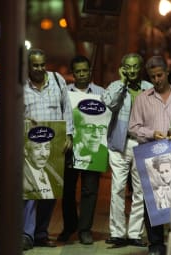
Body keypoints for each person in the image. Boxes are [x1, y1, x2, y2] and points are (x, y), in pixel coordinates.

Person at [22, 48, 73, 250]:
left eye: (42, 64)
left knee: (49, 192)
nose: (40, 68)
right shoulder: (20, 85)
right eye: (35, 65)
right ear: (28, 66)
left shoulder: (57, 80)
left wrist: (68, 134)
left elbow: (66, 108)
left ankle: (41, 233)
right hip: (30, 145)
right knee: (30, 193)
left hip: (54, 144)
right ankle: (26, 235)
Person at [101, 53, 153, 247]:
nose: (131, 71)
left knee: (140, 191)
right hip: (119, 144)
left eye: (135, 67)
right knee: (117, 188)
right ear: (122, 68)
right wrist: (122, 83)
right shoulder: (115, 86)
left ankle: (134, 234)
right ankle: (117, 233)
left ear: (141, 68)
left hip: (142, 143)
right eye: (128, 67)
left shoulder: (149, 88)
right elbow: (111, 104)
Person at [128, 55, 171, 255]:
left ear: (167, 73)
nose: (157, 80)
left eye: (159, 75)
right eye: (153, 77)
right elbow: (133, 127)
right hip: (151, 154)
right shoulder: (142, 99)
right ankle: (156, 244)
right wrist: (152, 133)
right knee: (154, 202)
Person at [58, 55, 106, 245]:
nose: (81, 74)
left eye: (84, 70)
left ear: (89, 71)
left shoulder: (101, 93)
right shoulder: (65, 93)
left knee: (90, 190)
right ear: (73, 73)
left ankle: (85, 230)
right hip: (69, 148)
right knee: (68, 190)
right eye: (78, 71)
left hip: (93, 149)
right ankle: (70, 227)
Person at [23, 128, 64, 199]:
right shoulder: (19, 177)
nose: (44, 154)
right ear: (26, 151)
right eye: (38, 148)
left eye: (47, 148)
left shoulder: (52, 167)